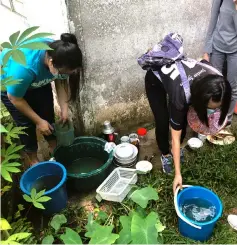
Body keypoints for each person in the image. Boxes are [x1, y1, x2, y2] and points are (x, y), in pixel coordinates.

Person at [138, 33, 231, 193]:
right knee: (163, 120)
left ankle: (175, 152)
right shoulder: (181, 96)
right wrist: (178, 174)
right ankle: (166, 155)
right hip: (154, 81)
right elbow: (175, 136)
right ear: (201, 98)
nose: (214, 110)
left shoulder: (216, 79)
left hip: (179, 83)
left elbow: (202, 61)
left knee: (179, 121)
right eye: (212, 107)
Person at [1, 33, 82, 165]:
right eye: (63, 72)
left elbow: (61, 82)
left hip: (38, 82)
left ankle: (54, 149)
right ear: (51, 62)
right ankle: (33, 159)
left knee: (48, 117)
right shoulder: (24, 68)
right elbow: (15, 98)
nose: (64, 75)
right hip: (11, 88)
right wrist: (38, 121)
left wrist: (64, 109)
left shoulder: (59, 55)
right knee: (26, 126)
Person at [203, 0, 237, 126]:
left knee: (233, 87)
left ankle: (226, 120)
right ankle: (213, 118)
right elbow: (212, 22)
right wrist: (207, 49)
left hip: (235, 50)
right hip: (217, 46)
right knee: (215, 85)